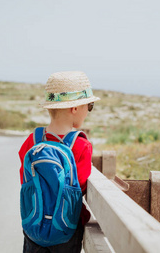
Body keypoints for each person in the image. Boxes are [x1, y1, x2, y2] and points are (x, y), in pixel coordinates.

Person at [18, 71, 100, 253]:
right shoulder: (81, 145)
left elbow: (25, 180)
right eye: (90, 106)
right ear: (75, 108)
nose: (89, 111)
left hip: (34, 226)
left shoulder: (32, 141)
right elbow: (81, 186)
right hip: (66, 228)